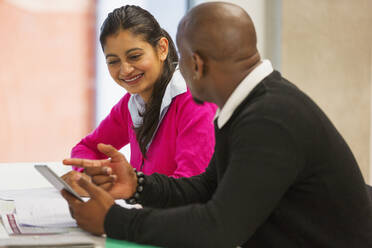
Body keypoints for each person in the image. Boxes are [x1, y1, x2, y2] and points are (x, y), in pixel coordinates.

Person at [61, 2, 372, 247]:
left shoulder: (269, 120)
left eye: (178, 59)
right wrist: (137, 185)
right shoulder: (251, 105)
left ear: (195, 64)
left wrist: (112, 221)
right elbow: (207, 186)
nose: (176, 69)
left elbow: (219, 228)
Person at [67, 5, 216, 180]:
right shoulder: (132, 103)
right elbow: (86, 148)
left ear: (162, 49)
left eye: (135, 56)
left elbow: (190, 186)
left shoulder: (194, 102)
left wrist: (133, 189)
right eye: (113, 61)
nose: (125, 70)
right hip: (143, 206)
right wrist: (92, 174)